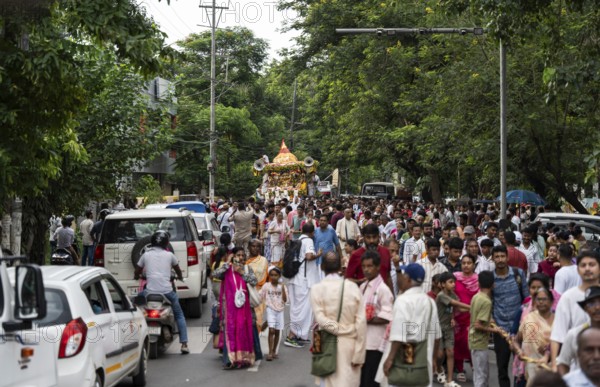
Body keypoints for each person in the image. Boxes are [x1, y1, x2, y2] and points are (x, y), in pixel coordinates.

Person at [378, 263, 442, 387]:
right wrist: (433, 359)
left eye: (402, 275)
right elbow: (437, 336)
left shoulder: (403, 300)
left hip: (407, 352)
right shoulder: (429, 302)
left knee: (405, 380)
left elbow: (398, 335)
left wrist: (390, 358)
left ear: (407, 278)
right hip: (424, 355)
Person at [310, 251, 367, 387]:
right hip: (350, 344)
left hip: (325, 342)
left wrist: (336, 329)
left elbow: (320, 318)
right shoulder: (352, 287)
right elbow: (361, 322)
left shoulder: (317, 289)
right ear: (341, 266)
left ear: (322, 267)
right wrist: (359, 353)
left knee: (327, 381)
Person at [134, 230, 189, 354]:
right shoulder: (170, 256)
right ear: (166, 243)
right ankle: (184, 343)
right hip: (167, 292)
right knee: (179, 315)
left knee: (134, 308)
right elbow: (178, 270)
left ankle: (134, 338)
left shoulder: (146, 255)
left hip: (148, 292)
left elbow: (137, 270)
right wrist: (180, 277)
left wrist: (136, 276)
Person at [551, 251, 600, 370]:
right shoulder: (568, 297)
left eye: (591, 264)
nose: (587, 268)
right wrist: (554, 365)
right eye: (583, 265)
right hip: (576, 368)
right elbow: (557, 335)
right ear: (577, 270)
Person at [212, 247, 257, 369]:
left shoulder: (247, 269)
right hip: (229, 309)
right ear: (233, 256)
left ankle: (243, 359)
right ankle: (230, 360)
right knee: (230, 331)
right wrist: (227, 263)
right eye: (238, 255)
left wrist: (242, 273)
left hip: (244, 308)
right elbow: (214, 274)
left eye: (243, 255)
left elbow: (254, 281)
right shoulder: (227, 269)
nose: (241, 258)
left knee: (242, 331)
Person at [491, 245, 529, 387]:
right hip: (500, 330)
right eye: (497, 257)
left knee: (520, 367)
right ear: (493, 259)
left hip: (519, 330)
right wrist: (492, 321)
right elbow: (488, 301)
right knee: (502, 367)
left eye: (502, 256)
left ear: (507, 257)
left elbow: (526, 300)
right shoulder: (490, 278)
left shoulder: (518, 274)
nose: (500, 259)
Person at [359, 250, 394, 387]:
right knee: (362, 381)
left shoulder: (383, 290)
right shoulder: (363, 287)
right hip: (363, 341)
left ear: (378, 267)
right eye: (364, 266)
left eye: (370, 266)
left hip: (375, 344)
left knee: (371, 381)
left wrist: (366, 319)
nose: (366, 270)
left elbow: (388, 316)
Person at [285, 223, 321, 348]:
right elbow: (309, 256)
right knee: (302, 309)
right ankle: (291, 336)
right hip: (304, 281)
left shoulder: (297, 240)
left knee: (297, 307)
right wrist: (319, 254)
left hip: (295, 278)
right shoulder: (309, 241)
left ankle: (299, 335)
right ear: (312, 232)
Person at [511, 287, 555, 386]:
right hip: (532, 369)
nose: (541, 302)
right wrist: (518, 350)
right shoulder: (529, 318)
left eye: (544, 299)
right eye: (538, 299)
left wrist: (550, 349)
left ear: (552, 301)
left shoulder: (558, 321)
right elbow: (516, 340)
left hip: (552, 370)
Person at [436, 272, 471, 387]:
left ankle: (450, 380)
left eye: (454, 282)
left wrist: (472, 309)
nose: (453, 284)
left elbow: (458, 309)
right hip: (438, 328)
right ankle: (439, 368)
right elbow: (453, 303)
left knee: (450, 353)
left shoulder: (453, 294)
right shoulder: (441, 295)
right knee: (440, 355)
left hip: (449, 328)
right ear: (442, 284)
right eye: (450, 282)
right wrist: (471, 306)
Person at [557, 286, 600, 375]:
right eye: (591, 304)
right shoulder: (574, 334)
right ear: (586, 309)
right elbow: (563, 362)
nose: (597, 307)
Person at [469, 271, 500, 387]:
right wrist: (495, 330)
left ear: (479, 283)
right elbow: (478, 325)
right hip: (479, 342)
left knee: (479, 374)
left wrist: (491, 322)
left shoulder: (476, 297)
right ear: (493, 285)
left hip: (474, 340)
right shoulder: (486, 301)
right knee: (482, 377)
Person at [453, 255, 479, 383]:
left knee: (471, 343)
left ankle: (475, 367)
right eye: (464, 263)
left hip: (473, 317)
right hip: (457, 317)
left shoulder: (478, 280)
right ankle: (460, 369)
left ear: (474, 264)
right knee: (458, 343)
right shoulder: (455, 278)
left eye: (469, 263)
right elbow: (450, 296)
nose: (466, 265)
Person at [345, 223, 392, 288]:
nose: (371, 241)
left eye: (374, 237)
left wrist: (392, 296)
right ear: (363, 238)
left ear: (379, 237)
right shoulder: (356, 255)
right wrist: (361, 281)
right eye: (368, 237)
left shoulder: (385, 252)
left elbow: (388, 276)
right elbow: (348, 279)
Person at [259, 266, 287, 361]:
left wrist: (282, 288)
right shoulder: (266, 286)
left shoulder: (282, 286)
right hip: (270, 310)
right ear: (269, 276)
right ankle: (270, 352)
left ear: (279, 276)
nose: (273, 277)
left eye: (276, 275)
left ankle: (274, 350)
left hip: (280, 311)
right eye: (271, 275)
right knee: (271, 331)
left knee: (277, 331)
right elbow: (260, 296)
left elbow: (285, 300)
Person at [246, 240, 268, 332]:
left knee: (258, 319)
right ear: (248, 247)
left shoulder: (263, 260)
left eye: (257, 246)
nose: (255, 248)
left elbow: (267, 277)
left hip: (260, 293)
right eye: (253, 246)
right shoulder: (245, 260)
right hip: (247, 292)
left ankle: (255, 339)